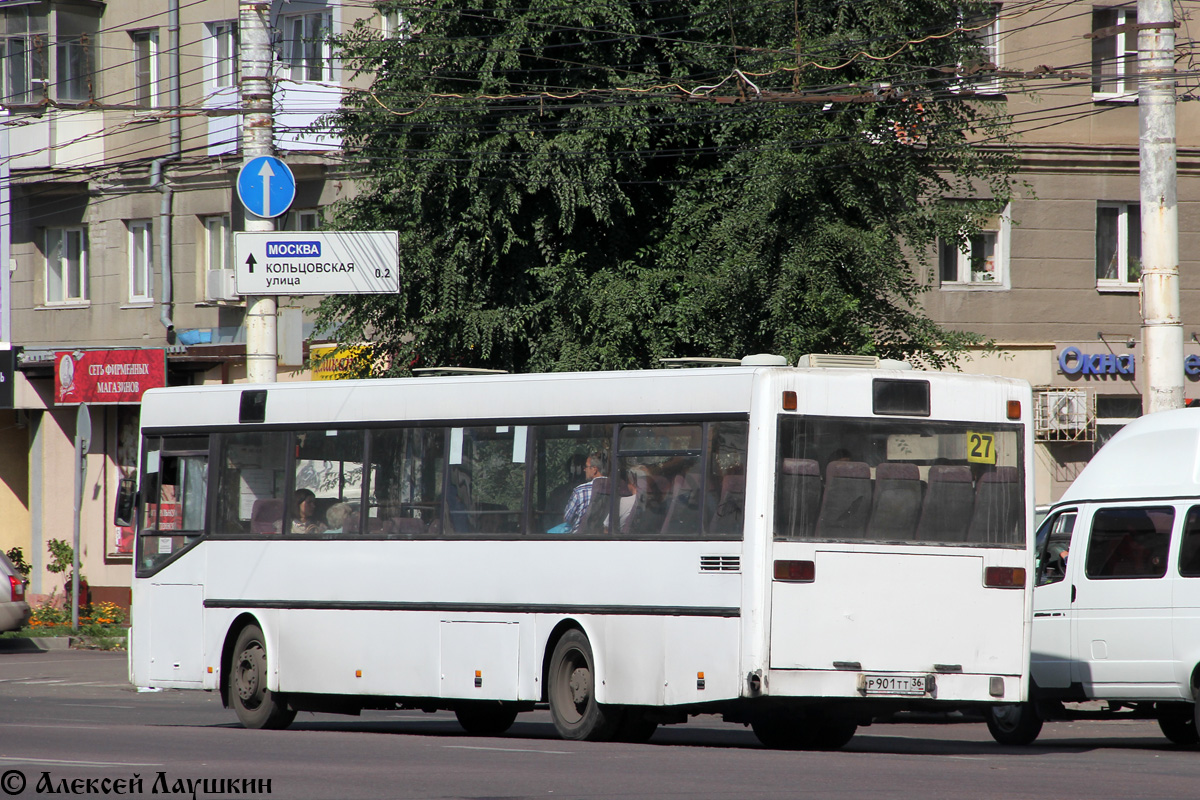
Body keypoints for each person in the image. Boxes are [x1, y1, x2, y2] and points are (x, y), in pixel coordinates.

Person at [564, 451, 607, 532]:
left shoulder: (580, 491)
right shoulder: (615, 489)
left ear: (594, 469)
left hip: (579, 538)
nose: (584, 470)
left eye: (586, 467)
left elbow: (567, 518)